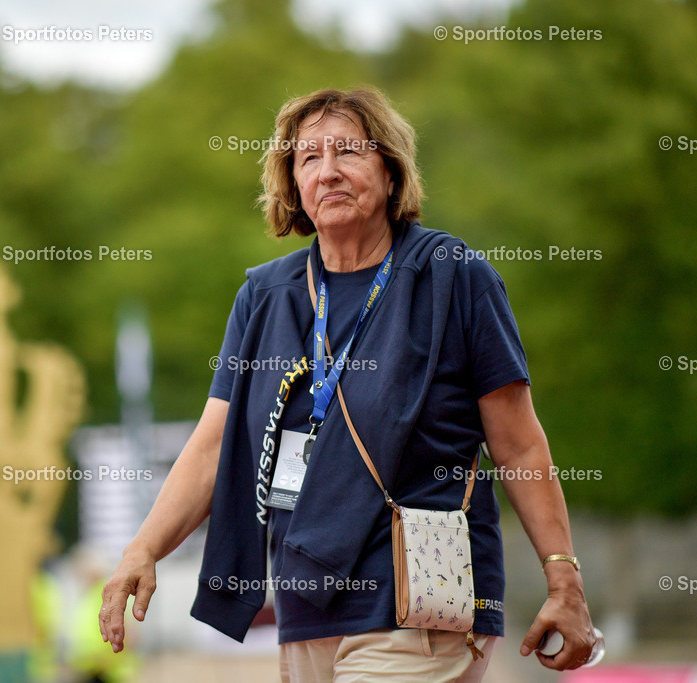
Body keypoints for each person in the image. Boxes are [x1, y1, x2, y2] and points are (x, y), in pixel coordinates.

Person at [99, 87, 596, 681]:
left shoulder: (454, 277)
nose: (328, 172)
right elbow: (213, 444)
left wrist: (563, 579)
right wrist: (143, 548)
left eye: (348, 152)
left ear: (391, 173)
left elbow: (518, 444)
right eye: (308, 158)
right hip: (306, 603)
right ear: (293, 187)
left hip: (421, 598)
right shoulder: (265, 297)